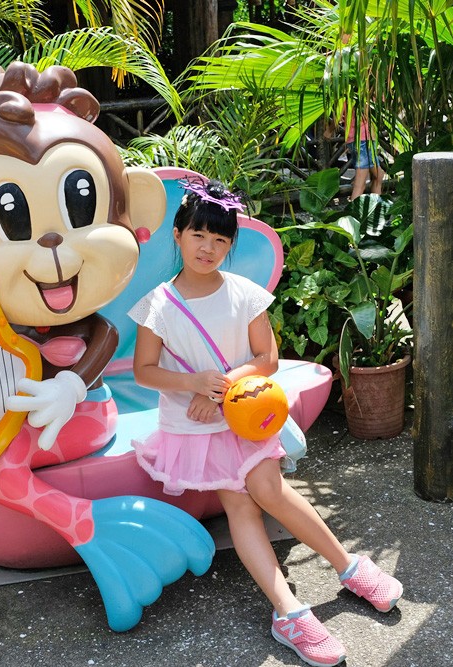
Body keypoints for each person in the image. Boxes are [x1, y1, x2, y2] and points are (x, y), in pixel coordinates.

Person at [128, 178, 402, 667]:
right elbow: (144, 371)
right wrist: (194, 386)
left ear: (231, 245)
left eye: (219, 240)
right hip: (195, 427)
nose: (208, 248)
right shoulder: (158, 306)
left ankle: (350, 566)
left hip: (245, 415)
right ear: (177, 234)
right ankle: (289, 611)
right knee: (241, 506)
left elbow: (267, 358)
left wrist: (223, 389)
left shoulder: (245, 294)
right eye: (198, 236)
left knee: (270, 492)